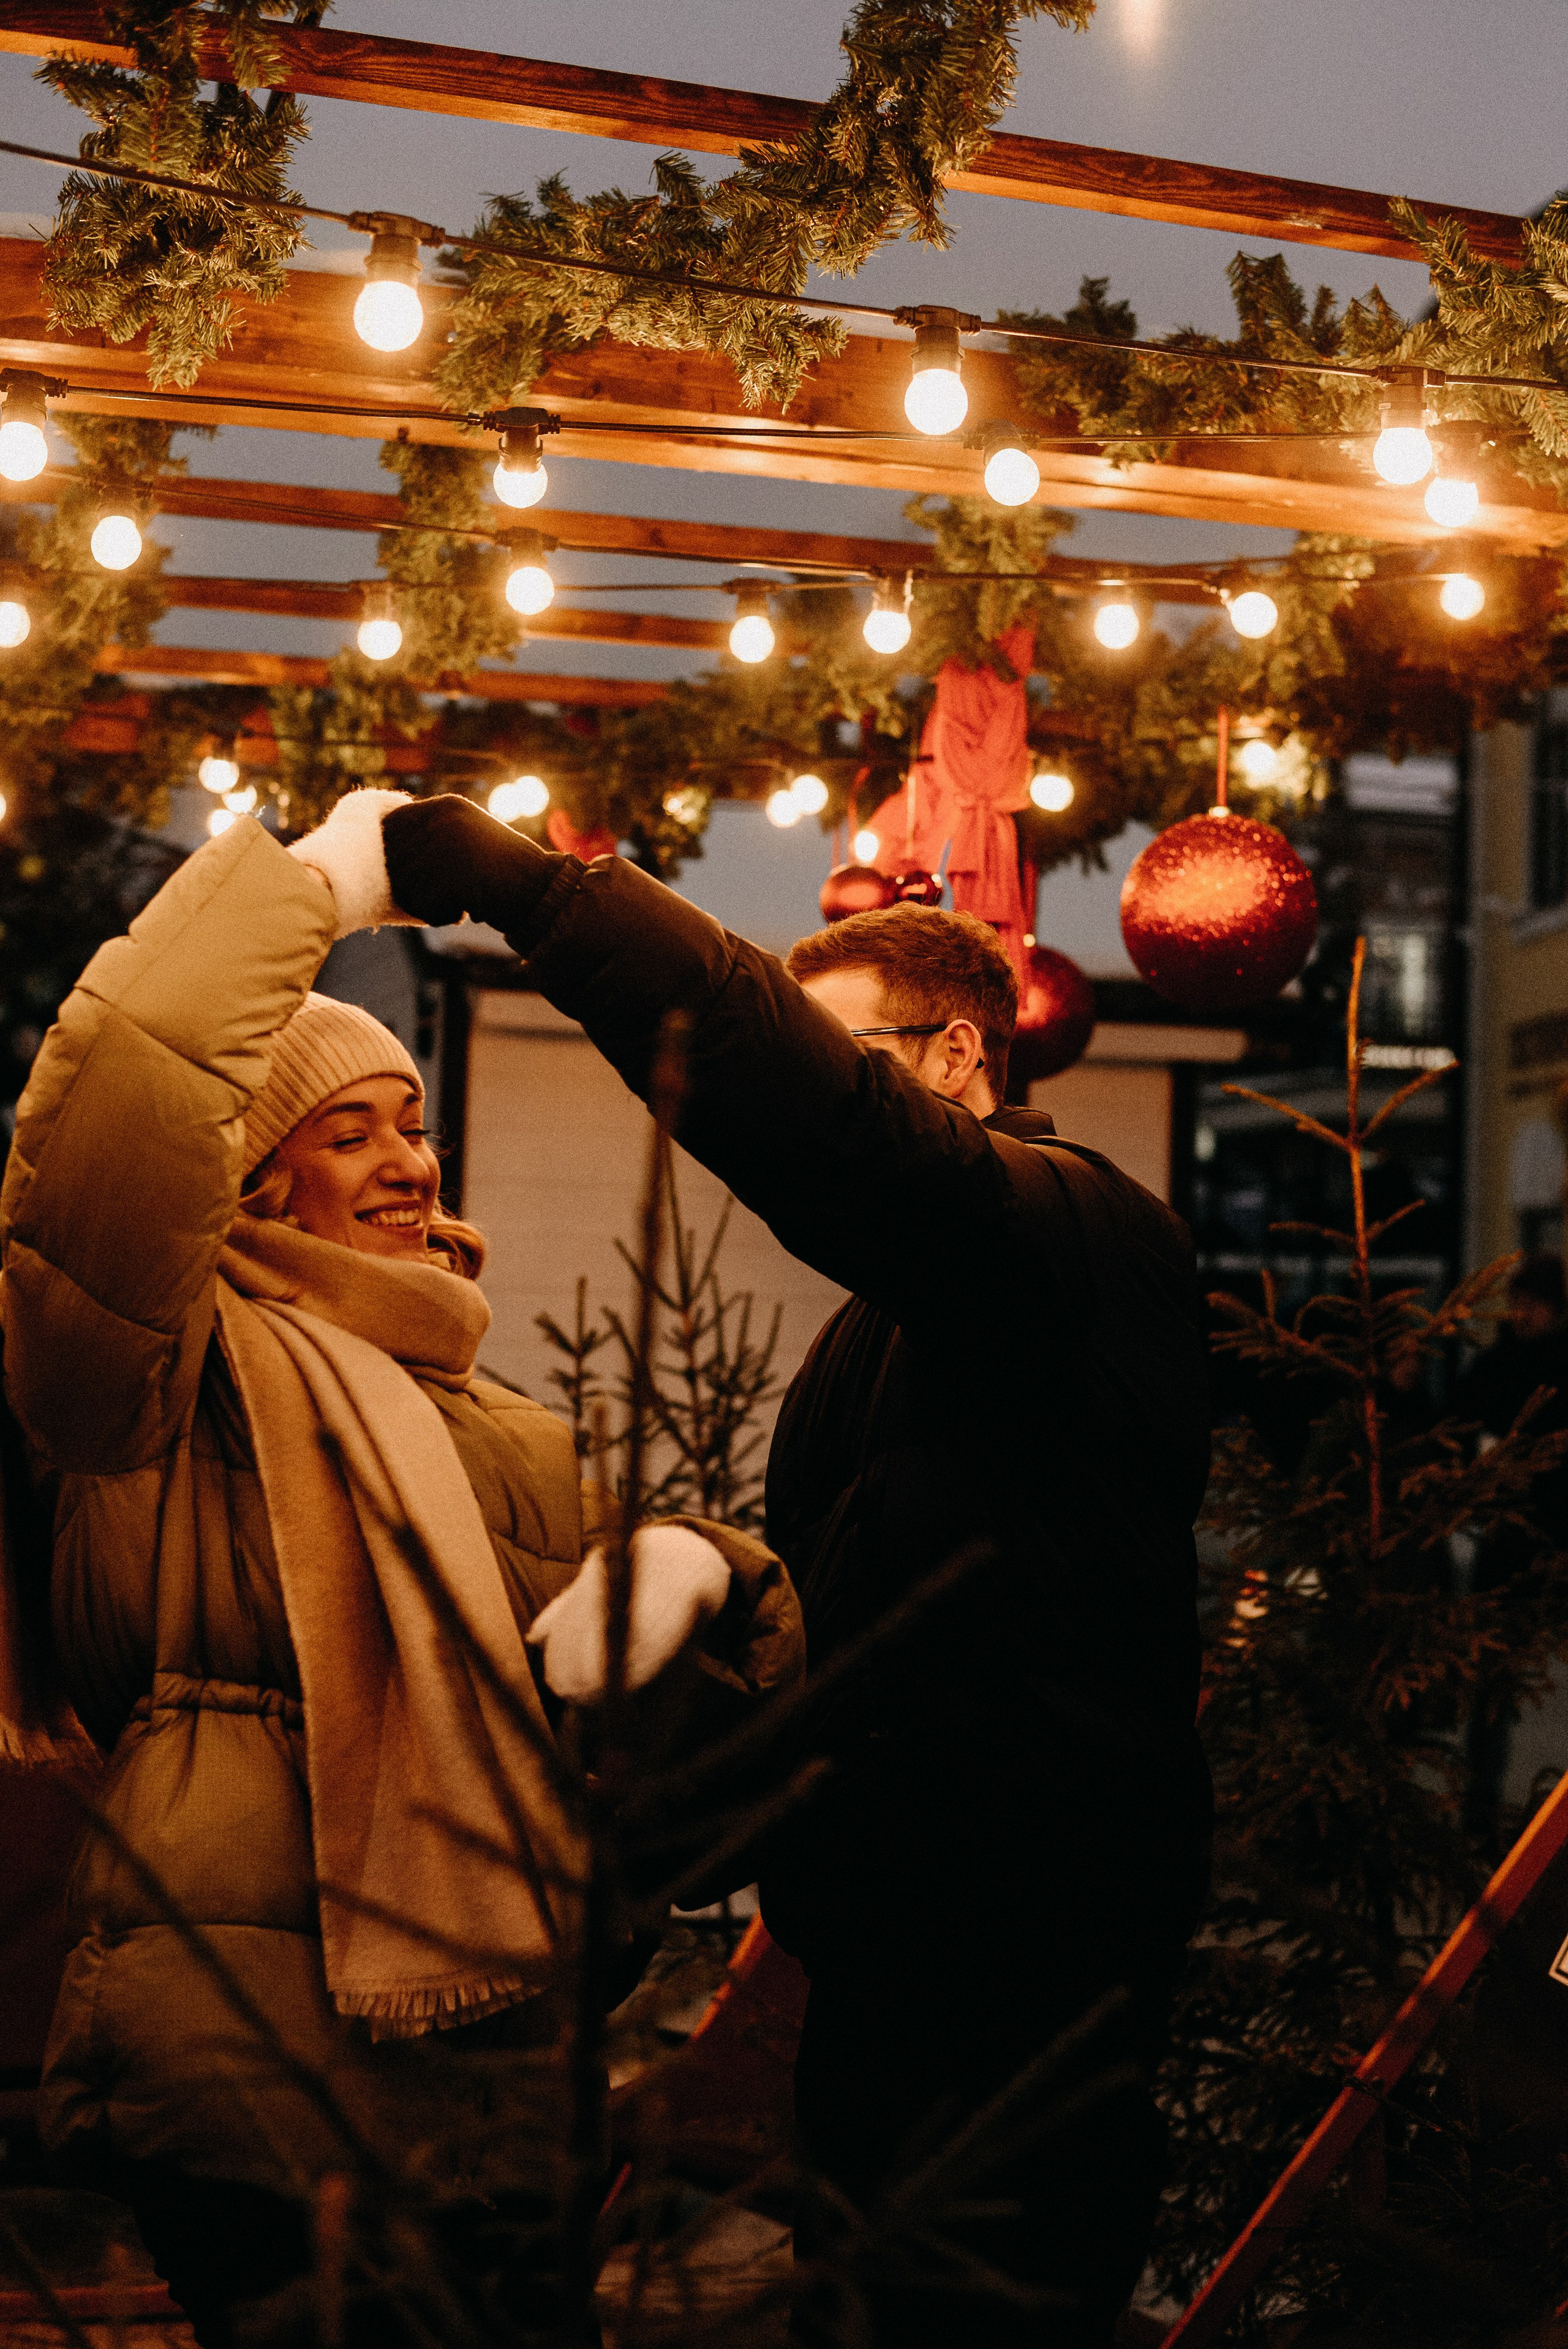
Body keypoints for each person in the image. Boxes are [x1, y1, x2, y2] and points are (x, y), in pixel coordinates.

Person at [379, 796, 1215, 2349]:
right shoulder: (883, 1325)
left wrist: (536, 893)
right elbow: (858, 1615)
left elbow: (822, 1129)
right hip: (892, 1962)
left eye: (851, 1060)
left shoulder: (1076, 1235)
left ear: (958, 1055)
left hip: (1026, 1971)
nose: (821, 1096)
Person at [0, 791, 802, 2348]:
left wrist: (703, 1587)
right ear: (247, 1182)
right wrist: (303, 888)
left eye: (413, 1123)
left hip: (500, 2085)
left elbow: (647, 1813)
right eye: (344, 1132)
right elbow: (108, 1140)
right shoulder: (152, 1381)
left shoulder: (506, 1425)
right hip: (258, 2077)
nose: (403, 1163)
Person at [1455, 1251, 1568, 1847]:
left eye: (1534, 1302)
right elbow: (1456, 1433)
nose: (1523, 1312)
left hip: (1554, 1544)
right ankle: (1481, 1806)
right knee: (1494, 1685)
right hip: (1506, 1548)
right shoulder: (1495, 1368)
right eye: (1518, 1300)